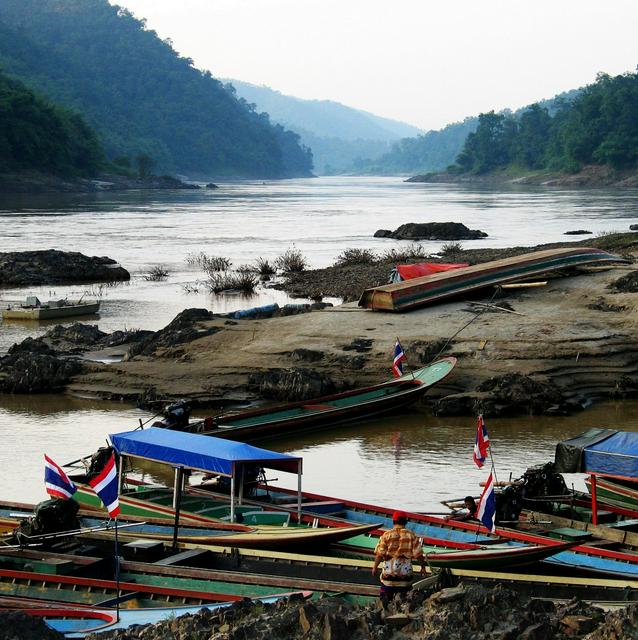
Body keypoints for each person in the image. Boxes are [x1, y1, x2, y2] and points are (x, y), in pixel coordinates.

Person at [372, 510, 425, 602]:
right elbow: (419, 554)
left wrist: (374, 567)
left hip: (388, 579)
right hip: (405, 580)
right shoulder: (411, 535)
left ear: (393, 521)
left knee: (385, 600)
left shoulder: (386, 535)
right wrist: (423, 567)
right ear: (406, 522)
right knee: (404, 601)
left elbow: (380, 554)